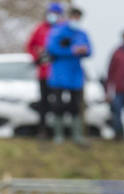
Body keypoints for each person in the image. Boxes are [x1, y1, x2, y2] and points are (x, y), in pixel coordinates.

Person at [44, 5, 91, 145]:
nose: (76, 20)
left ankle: (77, 136)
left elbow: (90, 51)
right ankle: (58, 135)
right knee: (58, 105)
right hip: (59, 75)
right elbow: (51, 49)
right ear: (69, 17)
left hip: (75, 76)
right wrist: (72, 51)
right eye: (74, 17)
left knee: (75, 106)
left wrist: (83, 50)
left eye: (78, 18)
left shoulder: (82, 34)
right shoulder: (57, 31)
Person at [26, 3, 63, 139]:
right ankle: (42, 130)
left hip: (59, 75)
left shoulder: (63, 29)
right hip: (43, 73)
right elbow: (30, 45)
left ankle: (58, 131)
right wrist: (37, 56)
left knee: (58, 103)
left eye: (56, 13)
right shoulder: (40, 29)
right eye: (51, 12)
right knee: (44, 102)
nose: (53, 16)